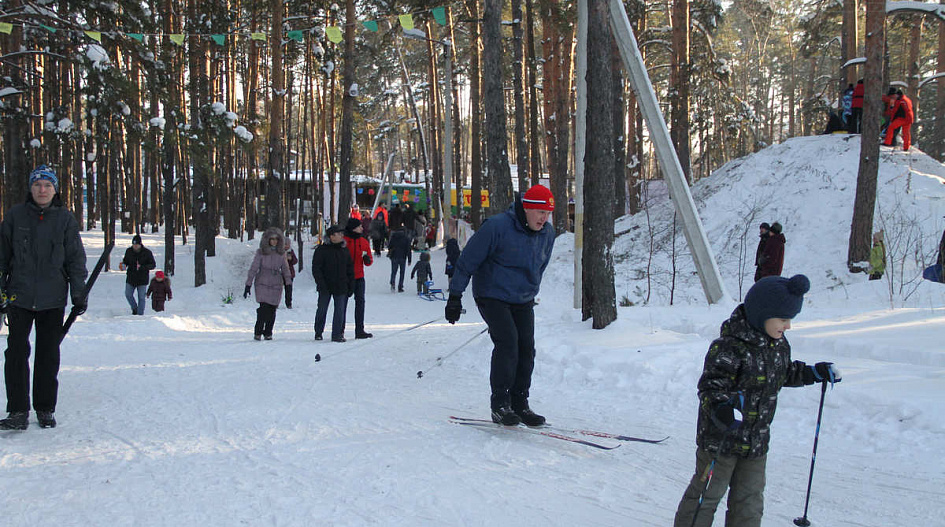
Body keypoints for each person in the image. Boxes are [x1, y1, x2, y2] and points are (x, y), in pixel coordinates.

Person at [673, 274, 841, 527]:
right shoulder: (729, 347)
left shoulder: (778, 345)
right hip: (721, 440)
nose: (788, 326)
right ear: (762, 314)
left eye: (790, 320)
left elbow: (784, 372)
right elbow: (710, 386)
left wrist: (813, 373)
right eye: (783, 319)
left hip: (756, 441)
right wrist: (721, 408)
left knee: (749, 500)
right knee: (706, 496)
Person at [445, 184, 556, 426]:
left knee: (526, 348)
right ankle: (500, 405)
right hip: (492, 294)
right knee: (508, 343)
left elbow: (541, 264)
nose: (544, 219)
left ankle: (520, 403)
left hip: (522, 298)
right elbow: (468, 260)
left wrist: (531, 286)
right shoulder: (497, 227)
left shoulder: (547, 233)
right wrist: (455, 296)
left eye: (548, 214)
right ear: (527, 209)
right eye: (540, 213)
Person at [0, 165, 88, 430]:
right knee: (16, 353)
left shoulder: (65, 219)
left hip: (52, 298)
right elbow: (2, 257)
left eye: (47, 185)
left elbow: (75, 259)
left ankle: (45, 408)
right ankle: (17, 411)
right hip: (19, 296)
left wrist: (78, 293)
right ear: (31, 188)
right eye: (37, 184)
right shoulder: (15, 216)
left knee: (48, 354)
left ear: (55, 189)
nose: (42, 189)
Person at [244, 228, 293, 341]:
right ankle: (258, 330)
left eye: (276, 239)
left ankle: (268, 331)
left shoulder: (281, 254)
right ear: (267, 240)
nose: (274, 241)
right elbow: (254, 268)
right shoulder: (261, 253)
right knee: (263, 307)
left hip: (276, 283)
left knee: (272, 309)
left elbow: (285, 269)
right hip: (262, 282)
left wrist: (288, 284)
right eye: (272, 239)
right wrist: (248, 284)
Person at [312, 225, 354, 342]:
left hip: (341, 285)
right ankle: (318, 331)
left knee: (340, 310)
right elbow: (316, 269)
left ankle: (337, 334)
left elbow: (349, 268)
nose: (341, 236)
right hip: (325, 285)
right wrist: (321, 284)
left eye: (342, 234)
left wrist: (351, 284)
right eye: (338, 234)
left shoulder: (344, 250)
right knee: (322, 309)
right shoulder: (321, 250)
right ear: (331, 236)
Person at [344, 217, 374, 339]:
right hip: (345, 277)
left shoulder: (364, 242)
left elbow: (369, 259)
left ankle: (359, 330)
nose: (362, 228)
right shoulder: (344, 241)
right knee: (342, 303)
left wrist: (367, 260)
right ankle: (340, 329)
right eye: (359, 226)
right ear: (353, 228)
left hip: (359, 276)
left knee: (360, 303)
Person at [121, 234, 156, 315]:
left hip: (142, 278)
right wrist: (123, 264)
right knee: (128, 294)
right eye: (133, 245)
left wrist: (142, 267)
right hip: (131, 277)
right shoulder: (129, 251)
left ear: (140, 244)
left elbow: (153, 265)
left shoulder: (147, 252)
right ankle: (134, 308)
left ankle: (140, 314)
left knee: (141, 297)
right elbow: (125, 260)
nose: (135, 246)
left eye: (136, 245)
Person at [387, 225, 412, 292]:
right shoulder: (406, 238)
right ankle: (400, 287)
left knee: (393, 271)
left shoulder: (393, 236)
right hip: (403, 257)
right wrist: (409, 259)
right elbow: (408, 249)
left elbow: (389, 246)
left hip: (394, 256)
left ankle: (392, 283)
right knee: (402, 272)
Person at [284, 239, 298, 309]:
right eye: (284, 244)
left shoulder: (290, 251)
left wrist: (291, 259)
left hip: (289, 274)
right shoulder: (278, 251)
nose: (286, 246)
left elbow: (295, 261)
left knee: (288, 290)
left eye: (287, 244)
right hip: (279, 274)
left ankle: (288, 304)